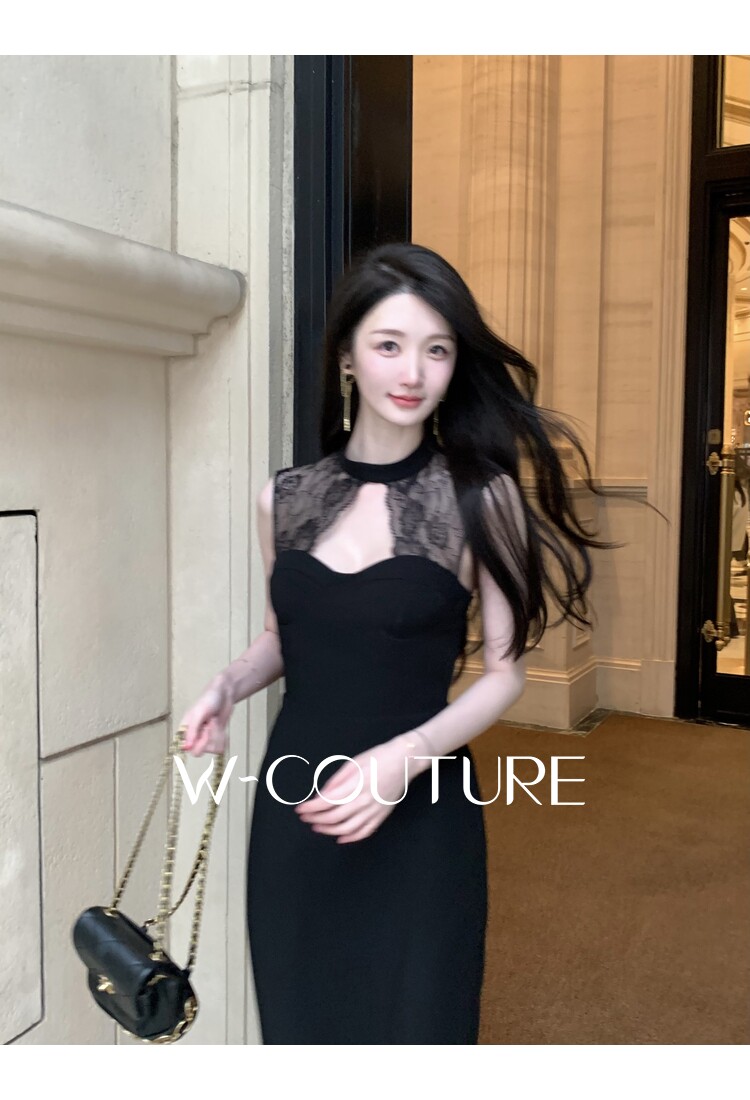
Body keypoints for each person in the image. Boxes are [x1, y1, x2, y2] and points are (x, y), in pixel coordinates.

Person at [178, 242, 621, 1045]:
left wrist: (402, 760)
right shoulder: (284, 498)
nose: (413, 372)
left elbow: (505, 674)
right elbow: (281, 636)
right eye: (389, 345)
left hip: (423, 815)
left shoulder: (482, 499)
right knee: (303, 1032)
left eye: (437, 350)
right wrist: (227, 686)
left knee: (419, 1031)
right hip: (299, 811)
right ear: (347, 357)